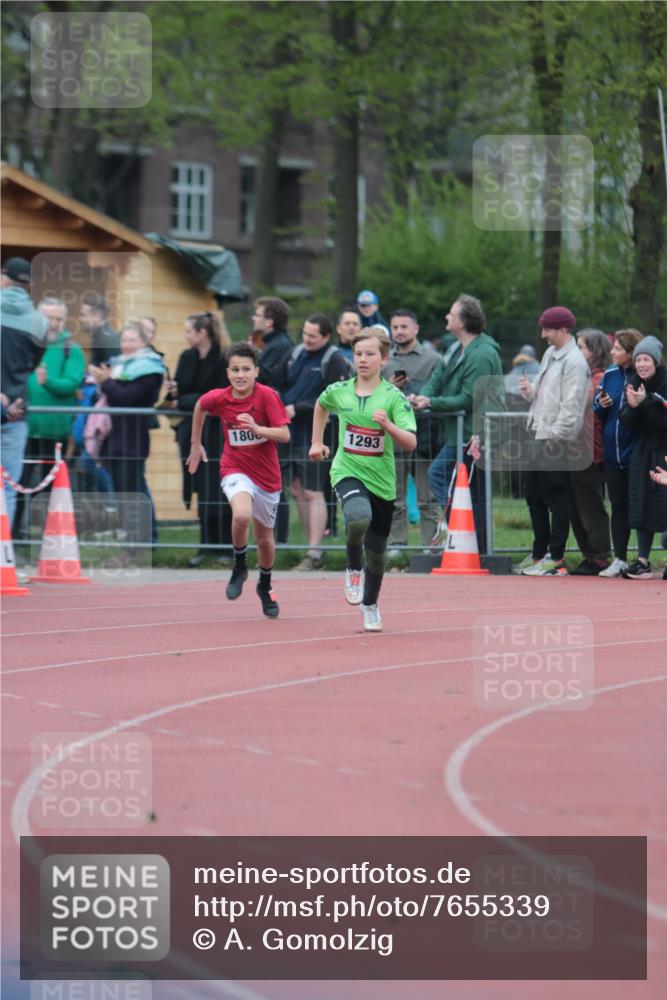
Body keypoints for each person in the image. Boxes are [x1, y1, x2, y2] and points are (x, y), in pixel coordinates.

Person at [309, 328, 417, 632]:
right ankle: (352, 565)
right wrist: (317, 443)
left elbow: (410, 443)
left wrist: (388, 426)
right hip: (347, 469)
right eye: (358, 354)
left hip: (382, 482)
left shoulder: (393, 398)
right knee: (357, 517)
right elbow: (321, 406)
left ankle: (370, 604)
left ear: (384, 359)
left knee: (378, 553)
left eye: (370, 354)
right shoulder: (339, 390)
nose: (363, 360)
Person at [186, 343, 291, 618]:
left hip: (267, 476)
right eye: (235, 370)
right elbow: (199, 407)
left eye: (246, 369)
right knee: (241, 515)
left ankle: (265, 584)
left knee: (266, 540)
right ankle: (240, 565)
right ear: (227, 373)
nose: (240, 375)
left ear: (256, 371)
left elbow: (284, 435)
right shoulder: (220, 398)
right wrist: (196, 445)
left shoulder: (267, 396)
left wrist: (257, 429)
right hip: (234, 468)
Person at [411, 294, 503, 554]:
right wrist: (423, 397)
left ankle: (463, 533)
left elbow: (467, 399)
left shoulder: (482, 354)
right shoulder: (455, 348)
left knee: (443, 478)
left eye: (451, 314)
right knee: (456, 484)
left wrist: (431, 401)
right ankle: (464, 536)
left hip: (476, 434)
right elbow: (437, 377)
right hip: (460, 433)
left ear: (463, 321)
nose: (446, 317)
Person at [516, 306, 590, 576]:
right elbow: (545, 393)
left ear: (562, 329)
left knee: (556, 499)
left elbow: (571, 406)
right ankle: (539, 554)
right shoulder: (550, 354)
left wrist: (556, 437)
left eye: (547, 328)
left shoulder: (574, 361)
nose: (543, 334)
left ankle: (556, 557)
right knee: (533, 496)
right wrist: (529, 391)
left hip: (553, 437)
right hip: (537, 431)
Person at [88, 320, 165, 553]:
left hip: (133, 438)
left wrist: (106, 381)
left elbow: (125, 397)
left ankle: (145, 540)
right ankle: (132, 542)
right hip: (114, 437)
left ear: (144, 342)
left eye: (132, 340)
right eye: (124, 340)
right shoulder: (118, 365)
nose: (127, 345)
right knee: (122, 491)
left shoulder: (150, 368)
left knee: (134, 490)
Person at [282, 313, 351, 570]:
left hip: (317, 435)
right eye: (305, 334)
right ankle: (309, 548)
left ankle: (315, 552)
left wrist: (298, 408)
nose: (307, 340)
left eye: (313, 336)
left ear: (326, 336)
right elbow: (281, 382)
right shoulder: (296, 353)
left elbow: (336, 398)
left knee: (314, 491)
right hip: (291, 433)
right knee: (298, 490)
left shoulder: (333, 360)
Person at [164, 312, 233, 566]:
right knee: (200, 488)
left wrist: (189, 399)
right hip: (193, 431)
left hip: (217, 432)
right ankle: (205, 545)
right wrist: (181, 395)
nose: (186, 336)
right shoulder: (187, 356)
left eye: (189, 331)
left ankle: (226, 546)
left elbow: (217, 398)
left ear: (202, 333)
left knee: (221, 488)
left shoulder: (223, 357)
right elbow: (183, 394)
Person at [14, 297, 86, 539]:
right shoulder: (24, 343)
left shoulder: (70, 349)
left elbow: (73, 383)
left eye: (58, 318)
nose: (53, 323)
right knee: (16, 482)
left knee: (48, 488)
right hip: (23, 428)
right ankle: (13, 537)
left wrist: (49, 382)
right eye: (48, 318)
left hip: (55, 431)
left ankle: (47, 539)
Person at [383, 309, 440, 548]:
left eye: (404, 327)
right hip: (393, 438)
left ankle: (431, 546)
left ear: (415, 329)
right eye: (395, 327)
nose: (399, 332)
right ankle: (397, 546)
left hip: (424, 435)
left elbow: (439, 390)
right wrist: (389, 387)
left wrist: (421, 395)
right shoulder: (384, 359)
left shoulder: (433, 359)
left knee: (427, 497)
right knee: (394, 497)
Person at [0, 256, 48, 526]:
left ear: (5, 277)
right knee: (7, 484)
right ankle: (2, 552)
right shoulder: (38, 322)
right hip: (16, 409)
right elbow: (34, 363)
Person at [594, 329, 644, 576]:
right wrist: (600, 404)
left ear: (631, 352)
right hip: (612, 455)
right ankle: (621, 558)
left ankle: (643, 559)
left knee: (642, 505)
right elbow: (597, 405)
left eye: (617, 349)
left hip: (636, 453)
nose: (612, 352)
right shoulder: (610, 375)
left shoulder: (643, 376)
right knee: (618, 505)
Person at [618, 336, 667, 579]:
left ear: (656, 362)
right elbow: (626, 421)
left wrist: (645, 402)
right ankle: (642, 559)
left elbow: (662, 423)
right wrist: (634, 406)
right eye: (638, 359)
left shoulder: (665, 383)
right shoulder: (633, 382)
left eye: (646, 359)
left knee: (664, 504)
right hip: (642, 452)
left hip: (664, 450)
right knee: (641, 504)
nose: (641, 364)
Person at [568, 328, 612, 574]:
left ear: (595, 351)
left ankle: (600, 555)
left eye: (581, 347)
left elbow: (579, 400)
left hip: (589, 451)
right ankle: (589, 553)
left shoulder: (599, 378)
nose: (577, 351)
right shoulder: (581, 375)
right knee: (575, 505)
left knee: (590, 504)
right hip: (574, 450)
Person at [252, 296, 293, 542]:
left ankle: (279, 540)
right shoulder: (270, 344)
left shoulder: (278, 346)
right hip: (267, 418)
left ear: (269, 321)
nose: (253, 318)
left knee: (275, 483)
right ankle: (273, 538)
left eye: (257, 315)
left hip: (272, 419)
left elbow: (266, 379)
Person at [79, 293, 120, 364]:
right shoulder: (99, 338)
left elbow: (114, 371)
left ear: (97, 315)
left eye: (83, 315)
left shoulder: (109, 341)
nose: (80, 319)